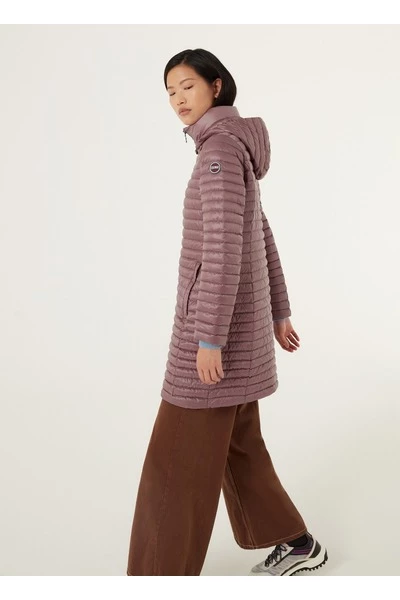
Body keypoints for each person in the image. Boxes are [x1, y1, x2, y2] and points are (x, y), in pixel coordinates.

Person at [126, 48, 328, 576]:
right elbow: (260, 233)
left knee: (174, 464)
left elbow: (222, 251)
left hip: (215, 337)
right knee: (238, 448)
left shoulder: (217, 152)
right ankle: (297, 544)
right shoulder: (232, 146)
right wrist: (279, 312)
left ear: (216, 86)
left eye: (187, 86)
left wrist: (209, 338)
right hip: (242, 332)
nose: (178, 99)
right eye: (170, 91)